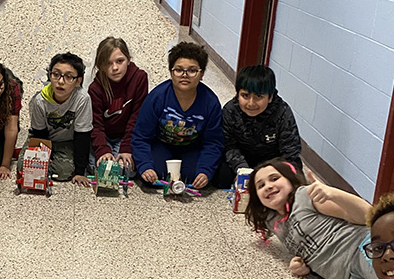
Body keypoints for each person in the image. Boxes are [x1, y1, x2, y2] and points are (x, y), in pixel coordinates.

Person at [245, 159, 382, 279]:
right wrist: (300, 263)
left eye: (274, 178)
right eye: (261, 185)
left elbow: (367, 216)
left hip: (362, 249)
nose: (268, 186)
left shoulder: (305, 196)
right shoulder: (275, 223)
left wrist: (334, 194)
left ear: (290, 180)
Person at [130, 41, 224, 189]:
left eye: (192, 70)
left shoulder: (210, 102)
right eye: (179, 70)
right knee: (155, 177)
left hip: (193, 147)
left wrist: (206, 171)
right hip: (161, 144)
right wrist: (144, 165)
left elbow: (213, 142)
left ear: (202, 74)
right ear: (171, 72)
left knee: (193, 179)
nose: (185, 75)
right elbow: (141, 136)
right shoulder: (157, 97)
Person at [19, 52, 93, 186]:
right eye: (56, 74)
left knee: (64, 172)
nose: (60, 81)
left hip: (66, 140)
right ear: (49, 74)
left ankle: (52, 169)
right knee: (24, 168)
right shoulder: (39, 101)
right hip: (42, 137)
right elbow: (39, 133)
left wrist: (80, 172)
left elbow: (82, 135)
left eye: (69, 77)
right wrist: (43, 158)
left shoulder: (82, 99)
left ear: (78, 81)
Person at [221, 64, 301, 184]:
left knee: (295, 177)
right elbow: (229, 146)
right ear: (238, 94)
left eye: (258, 96)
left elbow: (290, 151)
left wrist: (271, 173)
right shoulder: (230, 110)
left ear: (270, 97)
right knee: (221, 177)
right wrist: (242, 169)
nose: (251, 103)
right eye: (245, 96)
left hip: (273, 161)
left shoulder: (282, 112)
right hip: (243, 157)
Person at [87, 37, 148, 175]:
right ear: (101, 66)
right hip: (103, 135)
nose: (115, 68)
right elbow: (95, 124)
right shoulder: (95, 88)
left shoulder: (139, 78)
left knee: (127, 171)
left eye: (120, 61)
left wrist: (126, 147)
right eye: (108, 63)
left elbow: (137, 117)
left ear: (128, 59)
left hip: (126, 134)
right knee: (102, 170)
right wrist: (103, 149)